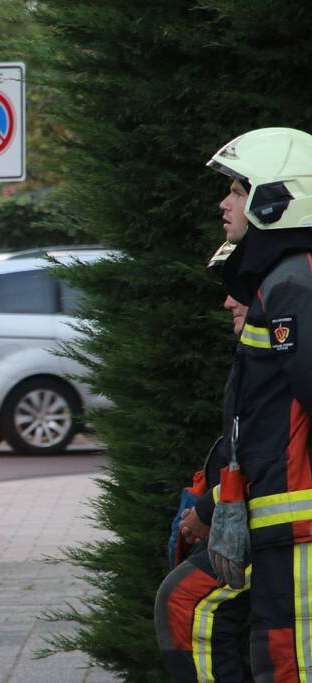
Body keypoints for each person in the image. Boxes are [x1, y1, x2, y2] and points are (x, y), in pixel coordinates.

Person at [207, 127, 312, 680]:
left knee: (291, 664)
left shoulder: (294, 284)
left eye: (238, 190)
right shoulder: (282, 279)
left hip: (298, 523)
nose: (225, 203)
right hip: (280, 517)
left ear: (276, 198)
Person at [154, 242, 251, 683]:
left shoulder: (280, 352)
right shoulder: (256, 354)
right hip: (252, 519)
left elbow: (260, 450)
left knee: (184, 601)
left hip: (278, 530)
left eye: (239, 288)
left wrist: (208, 512)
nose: (228, 300)